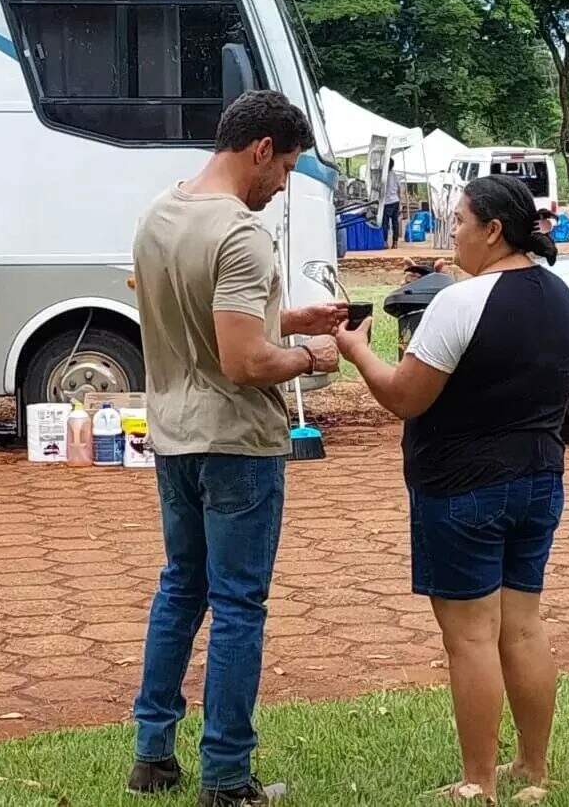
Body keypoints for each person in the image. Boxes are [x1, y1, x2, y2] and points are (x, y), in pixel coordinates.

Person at [128, 90, 346, 807]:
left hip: (173, 436)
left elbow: (201, 315)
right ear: (260, 150)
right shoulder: (244, 234)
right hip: (237, 444)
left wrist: (284, 315)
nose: (283, 182)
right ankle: (227, 776)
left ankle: (152, 754)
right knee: (238, 604)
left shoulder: (161, 213)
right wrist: (312, 353)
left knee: (180, 588)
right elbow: (244, 362)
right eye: (285, 165)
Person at [336, 175, 569, 804]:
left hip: (463, 487)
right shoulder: (558, 294)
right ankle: (534, 770)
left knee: (471, 637)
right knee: (522, 627)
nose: (454, 235)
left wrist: (356, 351)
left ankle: (479, 781)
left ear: (493, 230)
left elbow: (403, 396)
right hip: (539, 480)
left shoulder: (458, 303)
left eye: (460, 223)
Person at [382, 158, 402, 249]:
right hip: (395, 201)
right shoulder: (395, 175)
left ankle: (385, 242)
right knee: (395, 223)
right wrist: (400, 200)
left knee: (385, 223)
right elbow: (399, 189)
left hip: (386, 202)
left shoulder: (383, 176)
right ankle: (395, 243)